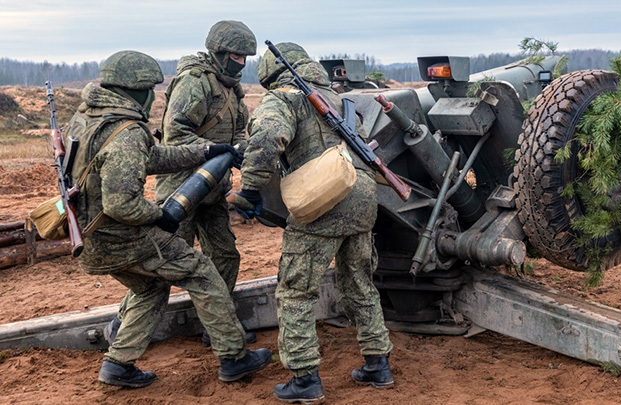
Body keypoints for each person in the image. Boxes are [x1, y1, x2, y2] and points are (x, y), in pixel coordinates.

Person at [66, 50, 271, 388]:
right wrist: (160, 215)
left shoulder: (89, 120)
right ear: (138, 91)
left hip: (92, 238)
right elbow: (123, 205)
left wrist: (207, 151)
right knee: (202, 273)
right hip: (121, 238)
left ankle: (118, 365)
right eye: (151, 89)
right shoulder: (126, 132)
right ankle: (234, 358)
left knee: (150, 289)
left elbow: (153, 156)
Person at [229, 42, 394, 404]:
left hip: (323, 197)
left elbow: (267, 138)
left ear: (270, 75)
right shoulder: (339, 101)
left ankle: (305, 378)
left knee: (296, 291)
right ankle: (378, 363)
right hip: (363, 196)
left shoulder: (283, 99)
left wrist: (252, 190)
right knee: (360, 282)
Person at [107, 20, 258, 346]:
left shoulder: (231, 87)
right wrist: (214, 154)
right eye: (236, 55)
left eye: (246, 57)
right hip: (182, 187)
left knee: (226, 255)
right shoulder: (195, 83)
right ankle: (120, 327)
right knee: (166, 263)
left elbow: (238, 135)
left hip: (214, 189)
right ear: (218, 52)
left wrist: (240, 152)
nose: (241, 63)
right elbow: (176, 137)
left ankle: (219, 328)